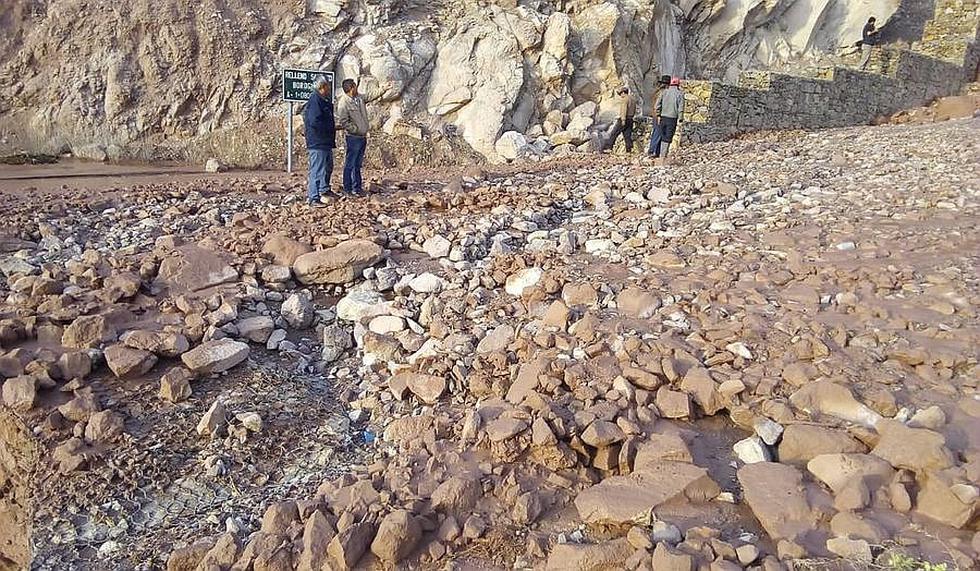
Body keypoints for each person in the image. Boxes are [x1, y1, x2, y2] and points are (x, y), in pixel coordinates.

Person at [303, 75, 336, 207]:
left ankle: (324, 190)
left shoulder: (323, 100)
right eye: (327, 85)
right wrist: (328, 128)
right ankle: (313, 198)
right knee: (317, 169)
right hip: (318, 141)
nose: (329, 88)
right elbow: (314, 121)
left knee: (327, 166)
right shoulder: (315, 100)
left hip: (325, 141)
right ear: (322, 86)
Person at [336, 78, 369, 197]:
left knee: (357, 164)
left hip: (362, 137)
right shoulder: (344, 103)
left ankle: (357, 188)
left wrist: (384, 89)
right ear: (351, 88)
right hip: (353, 137)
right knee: (350, 163)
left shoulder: (359, 98)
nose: (357, 88)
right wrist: (355, 129)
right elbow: (344, 121)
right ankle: (347, 188)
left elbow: (370, 96)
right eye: (355, 86)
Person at [655, 77, 685, 160]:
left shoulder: (664, 92)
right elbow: (681, 107)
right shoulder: (680, 94)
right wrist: (680, 118)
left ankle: (658, 153)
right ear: (678, 84)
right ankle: (663, 156)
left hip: (663, 117)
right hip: (672, 118)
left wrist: (658, 115)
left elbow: (657, 105)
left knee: (662, 135)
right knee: (668, 137)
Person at [647, 74, 671, 157]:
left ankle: (656, 152)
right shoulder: (663, 93)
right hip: (659, 116)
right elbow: (658, 106)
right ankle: (652, 151)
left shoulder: (657, 92)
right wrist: (658, 115)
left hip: (656, 115)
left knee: (657, 133)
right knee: (658, 133)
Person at [615, 86, 637, 153]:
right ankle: (629, 149)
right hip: (630, 119)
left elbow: (624, 109)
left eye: (620, 94)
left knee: (614, 133)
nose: (620, 95)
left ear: (623, 92)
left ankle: (608, 147)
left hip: (624, 118)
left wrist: (623, 119)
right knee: (627, 135)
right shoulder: (633, 99)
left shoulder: (625, 99)